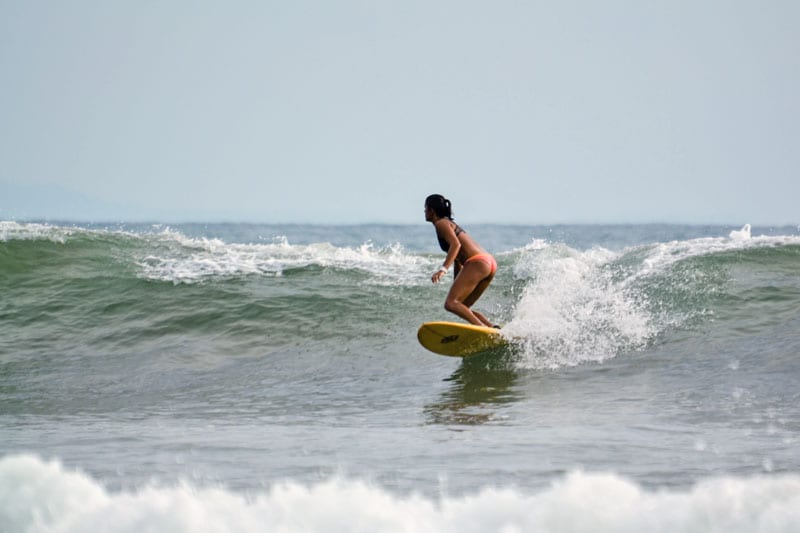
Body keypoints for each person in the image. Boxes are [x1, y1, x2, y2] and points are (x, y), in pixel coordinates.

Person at [424, 194, 498, 327]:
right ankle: (493, 329)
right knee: (463, 306)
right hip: (488, 263)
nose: (424, 211)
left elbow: (456, 245)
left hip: (477, 262)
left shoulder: (441, 223)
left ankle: (483, 330)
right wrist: (457, 281)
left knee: (450, 304)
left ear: (431, 210)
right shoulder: (448, 223)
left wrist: (443, 269)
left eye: (425, 208)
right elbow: (458, 258)